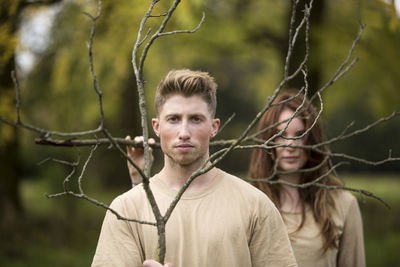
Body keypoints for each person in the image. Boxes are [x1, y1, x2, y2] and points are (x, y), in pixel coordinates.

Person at [91, 69, 298, 267]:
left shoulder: (255, 206)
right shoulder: (126, 209)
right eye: (173, 119)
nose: (183, 132)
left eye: (195, 119)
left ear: (214, 127)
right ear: (156, 127)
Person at [249, 91, 366, 267]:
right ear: (267, 141)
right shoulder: (249, 203)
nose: (291, 145)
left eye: (300, 134)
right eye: (281, 134)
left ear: (312, 140)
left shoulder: (343, 204)